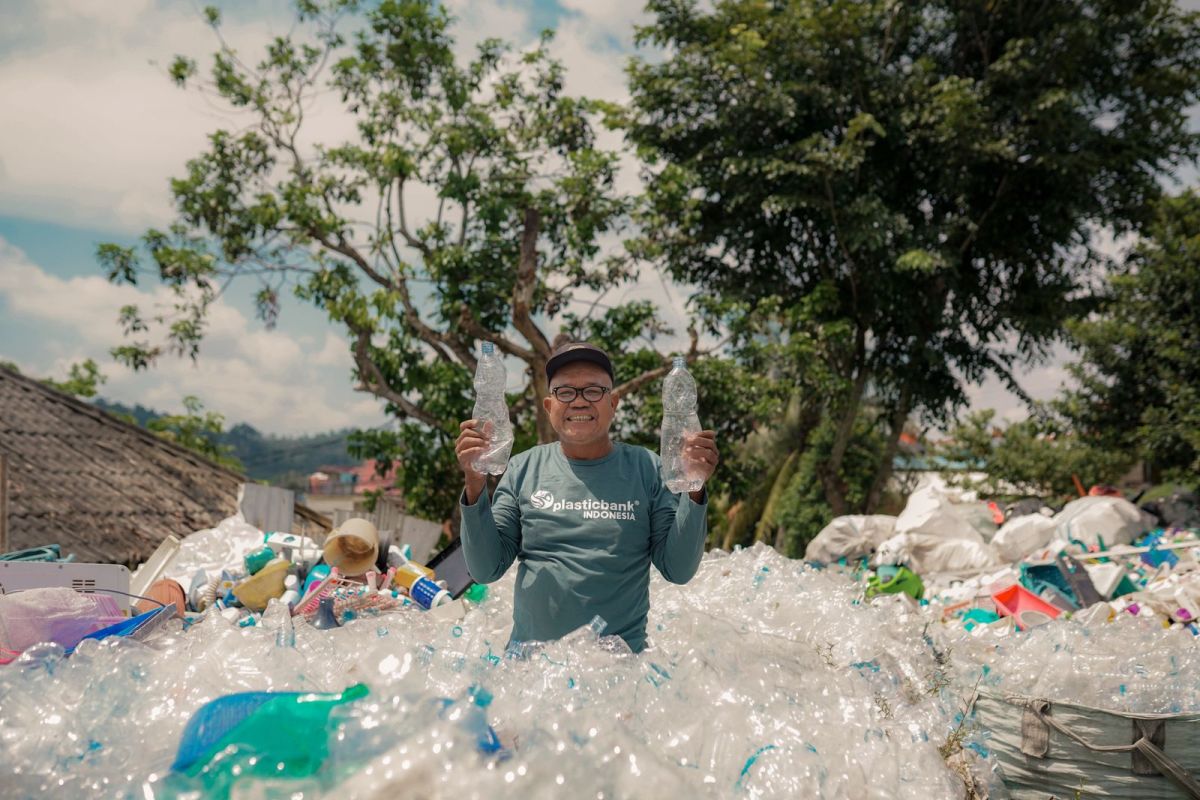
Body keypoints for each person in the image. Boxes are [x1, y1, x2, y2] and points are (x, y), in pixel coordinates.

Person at [455, 341, 719, 654]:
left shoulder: (648, 469)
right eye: (565, 392)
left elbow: (679, 570)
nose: (579, 402)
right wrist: (474, 483)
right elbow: (486, 569)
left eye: (593, 390)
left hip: (615, 673)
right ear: (549, 406)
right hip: (530, 672)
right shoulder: (522, 468)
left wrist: (694, 487)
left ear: (614, 403)